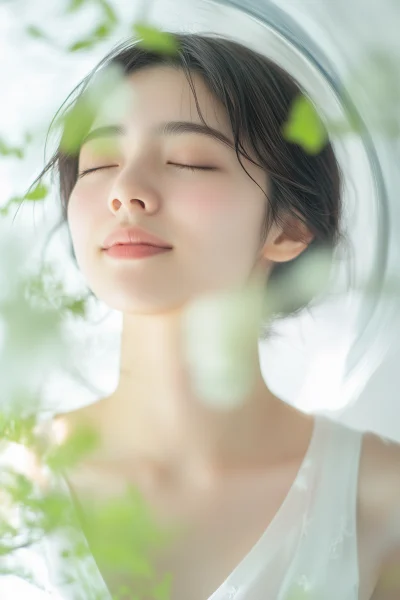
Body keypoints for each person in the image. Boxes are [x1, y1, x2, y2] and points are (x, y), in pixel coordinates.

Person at [19, 31, 400, 600]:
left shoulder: (382, 498)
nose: (126, 191)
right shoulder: (12, 488)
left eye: (187, 161)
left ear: (290, 227)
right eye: (99, 162)